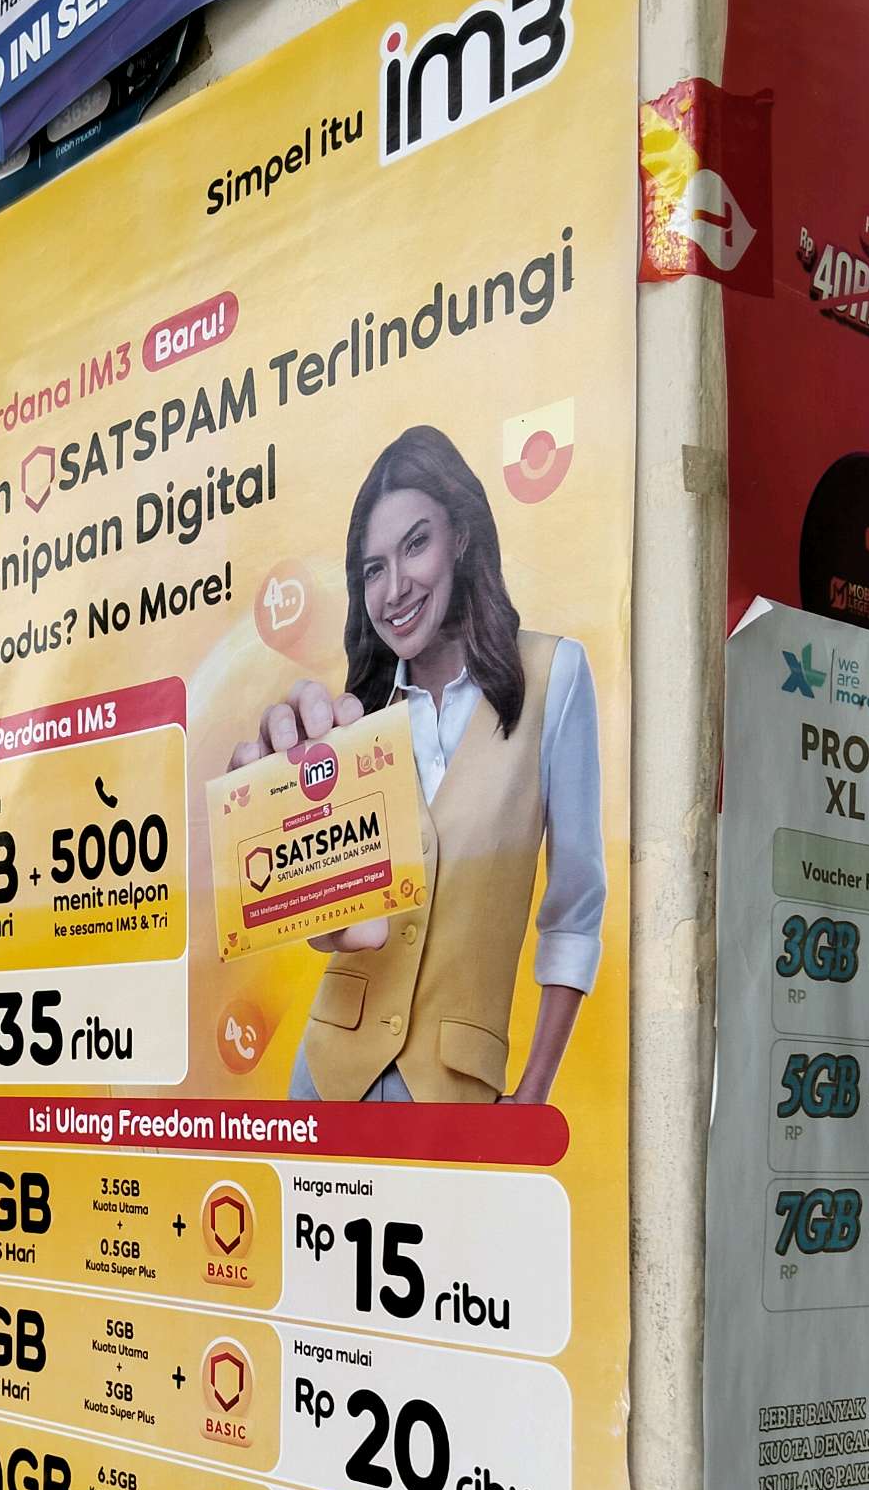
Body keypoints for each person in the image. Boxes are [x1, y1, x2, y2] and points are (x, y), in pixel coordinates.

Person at [229, 425, 604, 1105]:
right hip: (326, 1077)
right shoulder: (355, 720)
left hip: (456, 1090)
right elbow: (333, 929)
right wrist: (275, 836)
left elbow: (575, 911)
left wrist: (532, 1096)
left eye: (415, 544)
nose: (395, 588)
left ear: (460, 535)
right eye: (374, 569)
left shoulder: (555, 675)